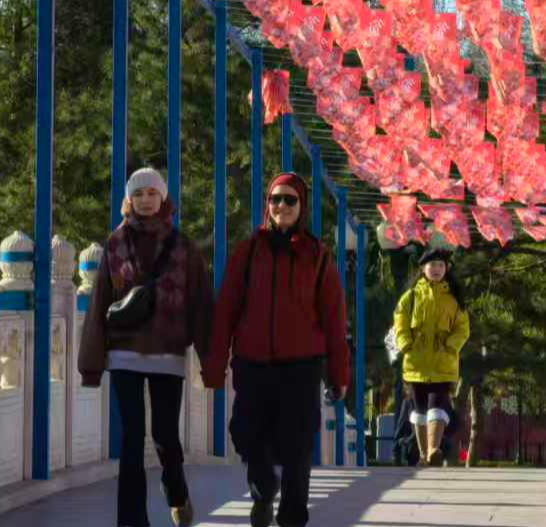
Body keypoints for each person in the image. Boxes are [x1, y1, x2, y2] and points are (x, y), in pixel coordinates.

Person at [204, 172, 350, 527]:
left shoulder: (318, 255)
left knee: (298, 447)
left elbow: (334, 319)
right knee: (244, 432)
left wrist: (338, 374)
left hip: (301, 367)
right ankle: (264, 487)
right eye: (275, 199)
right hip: (252, 363)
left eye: (290, 200)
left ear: (302, 207)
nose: (281, 206)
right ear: (266, 206)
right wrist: (214, 364)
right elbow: (226, 309)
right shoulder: (249, 250)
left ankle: (291, 518)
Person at [79, 168, 213, 527]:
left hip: (168, 354)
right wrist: (91, 363)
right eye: (139, 194)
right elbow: (99, 304)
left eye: (152, 193)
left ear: (163, 198)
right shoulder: (115, 243)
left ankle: (176, 490)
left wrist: (211, 361)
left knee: (165, 436)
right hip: (124, 353)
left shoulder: (184, 247)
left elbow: (201, 304)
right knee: (131, 438)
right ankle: (132, 521)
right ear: (130, 200)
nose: (145, 200)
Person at [392, 248, 470, 467]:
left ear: (447, 269)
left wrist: (451, 346)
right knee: (419, 409)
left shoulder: (454, 300)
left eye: (441, 266)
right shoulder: (411, 297)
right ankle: (426, 455)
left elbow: (463, 328)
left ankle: (433, 449)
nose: (436, 269)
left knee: (437, 404)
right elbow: (399, 320)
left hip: (443, 363)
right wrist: (405, 343)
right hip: (416, 363)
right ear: (422, 268)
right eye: (432, 265)